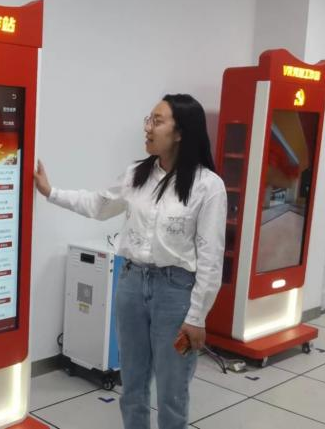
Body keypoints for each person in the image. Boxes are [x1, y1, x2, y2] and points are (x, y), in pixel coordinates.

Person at [34, 94, 227, 429]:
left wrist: (197, 316)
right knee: (133, 386)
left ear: (180, 132)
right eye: (148, 120)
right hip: (132, 285)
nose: (148, 128)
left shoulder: (208, 186)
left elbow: (211, 257)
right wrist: (51, 192)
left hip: (176, 293)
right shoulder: (136, 174)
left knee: (172, 391)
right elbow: (98, 204)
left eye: (157, 121)